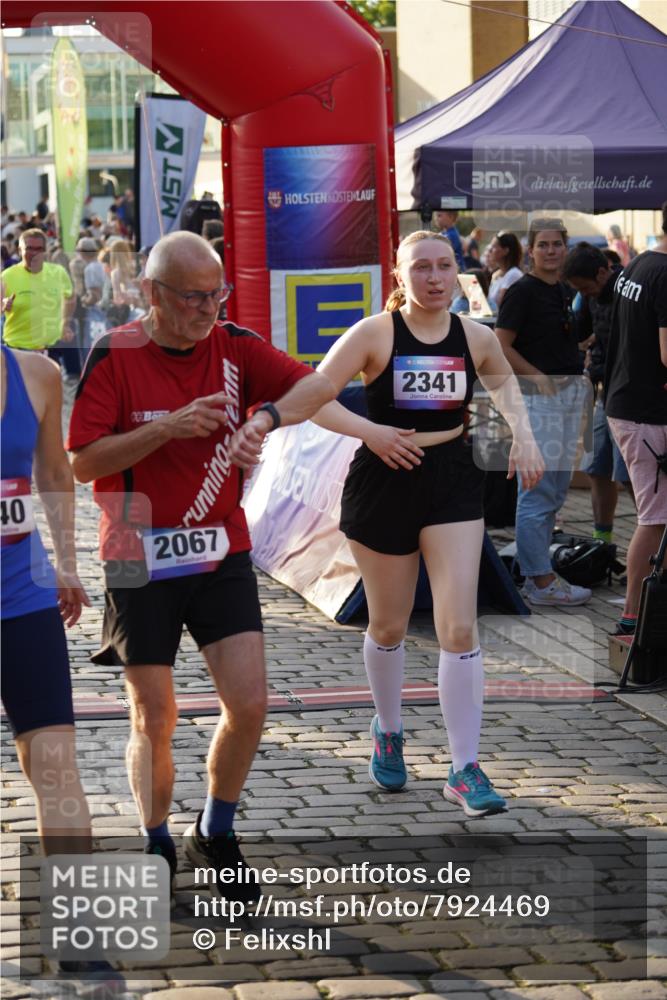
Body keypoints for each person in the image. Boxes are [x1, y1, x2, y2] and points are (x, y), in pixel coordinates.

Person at [67, 231, 336, 895]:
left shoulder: (234, 345)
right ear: (151, 294)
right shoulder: (116, 353)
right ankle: (156, 836)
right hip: (135, 551)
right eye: (192, 297)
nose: (208, 308)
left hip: (220, 548)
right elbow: (82, 463)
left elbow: (318, 385)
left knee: (249, 703)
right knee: (154, 716)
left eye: (217, 293)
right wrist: (166, 427)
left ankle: (215, 829)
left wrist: (265, 418)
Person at [261, 230, 542, 816]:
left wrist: (524, 433)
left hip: (452, 479)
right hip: (384, 480)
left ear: (458, 272)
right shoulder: (374, 333)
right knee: (388, 624)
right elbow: (314, 396)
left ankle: (464, 768)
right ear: (398, 275)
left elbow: (502, 380)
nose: (435, 278)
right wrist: (373, 433)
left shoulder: (474, 336)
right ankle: (388, 729)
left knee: (458, 627)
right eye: (421, 268)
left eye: (444, 266)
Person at [0, 345, 124, 982]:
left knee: (53, 760)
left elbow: (53, 471)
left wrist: (68, 563)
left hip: (22, 596)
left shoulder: (39, 375)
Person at [495, 217, 592, 606]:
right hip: (539, 400)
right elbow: (500, 345)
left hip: (567, 397)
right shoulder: (522, 292)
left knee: (555, 489)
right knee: (537, 491)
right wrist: (537, 376)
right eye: (543, 245)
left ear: (565, 248)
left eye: (557, 244)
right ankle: (538, 582)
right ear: (531, 250)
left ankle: (539, 571)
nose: (551, 251)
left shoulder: (564, 290)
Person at [604, 203, 667, 636]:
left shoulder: (640, 263)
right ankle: (633, 617)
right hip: (646, 413)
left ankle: (646, 614)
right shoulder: (662, 272)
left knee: (658, 515)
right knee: (655, 517)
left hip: (629, 404)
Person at [563, 242, 633, 547]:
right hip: (607, 393)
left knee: (630, 475)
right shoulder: (591, 298)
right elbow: (584, 335)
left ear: (603, 272)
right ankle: (602, 540)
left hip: (630, 398)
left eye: (586, 288)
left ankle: (655, 538)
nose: (586, 294)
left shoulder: (627, 294)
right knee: (596, 468)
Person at [1, 228, 76, 353]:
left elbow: (71, 297)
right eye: (29, 248)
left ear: (45, 251)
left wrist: (65, 323)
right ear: (20, 251)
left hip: (51, 348)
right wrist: (3, 304)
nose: (34, 253)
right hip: (18, 350)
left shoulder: (58, 272)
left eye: (39, 249)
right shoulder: (7, 276)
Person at [487, 231, 523, 310]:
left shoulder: (514, 274)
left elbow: (500, 304)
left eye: (494, 247)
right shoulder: (496, 274)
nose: (490, 250)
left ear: (505, 251)